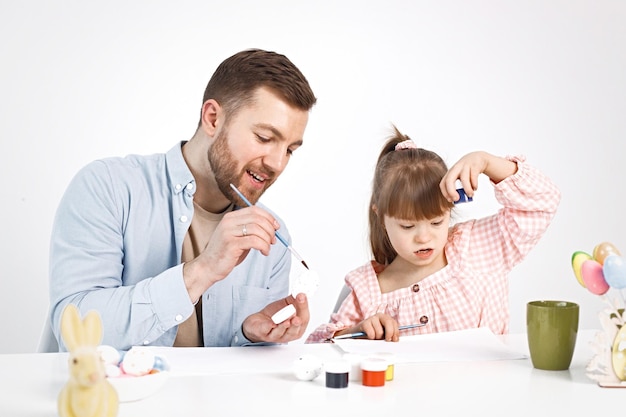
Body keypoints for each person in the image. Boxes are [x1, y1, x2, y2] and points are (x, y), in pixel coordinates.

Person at [49, 49, 317, 351]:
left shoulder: (272, 237)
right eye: (265, 138)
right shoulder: (107, 187)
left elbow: (243, 374)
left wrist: (249, 334)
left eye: (290, 150)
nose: (278, 163)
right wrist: (201, 271)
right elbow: (74, 330)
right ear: (212, 118)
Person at [306, 126, 560, 343]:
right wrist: (355, 333)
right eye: (408, 226)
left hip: (487, 395)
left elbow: (542, 203)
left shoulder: (477, 247)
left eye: (437, 222)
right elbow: (317, 354)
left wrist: (487, 162)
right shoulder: (366, 291)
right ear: (381, 217)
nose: (424, 238)